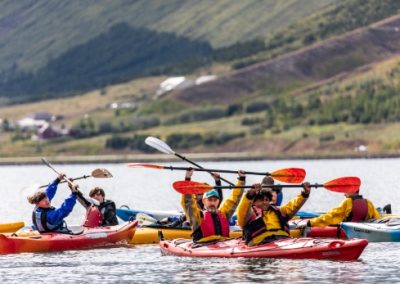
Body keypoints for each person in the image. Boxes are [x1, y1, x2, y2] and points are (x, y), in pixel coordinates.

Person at [237, 182, 311, 246]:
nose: (264, 202)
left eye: (266, 200)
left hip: (284, 240)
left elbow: (293, 206)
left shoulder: (278, 211)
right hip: (261, 243)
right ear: (253, 203)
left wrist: (305, 194)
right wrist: (249, 194)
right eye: (260, 200)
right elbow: (242, 210)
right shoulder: (250, 213)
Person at [181, 171, 245, 244]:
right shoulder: (197, 216)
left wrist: (241, 179)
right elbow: (188, 202)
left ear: (218, 201)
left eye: (215, 200)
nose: (212, 203)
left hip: (224, 244)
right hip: (203, 245)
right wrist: (187, 179)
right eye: (210, 200)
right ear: (204, 201)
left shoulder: (224, 214)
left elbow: (234, 199)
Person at [299, 188, 380, 229]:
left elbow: (330, 216)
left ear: (353, 190)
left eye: (346, 191)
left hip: (348, 230)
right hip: (364, 227)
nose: (344, 194)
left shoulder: (347, 202)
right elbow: (377, 218)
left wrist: (311, 223)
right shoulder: (368, 202)